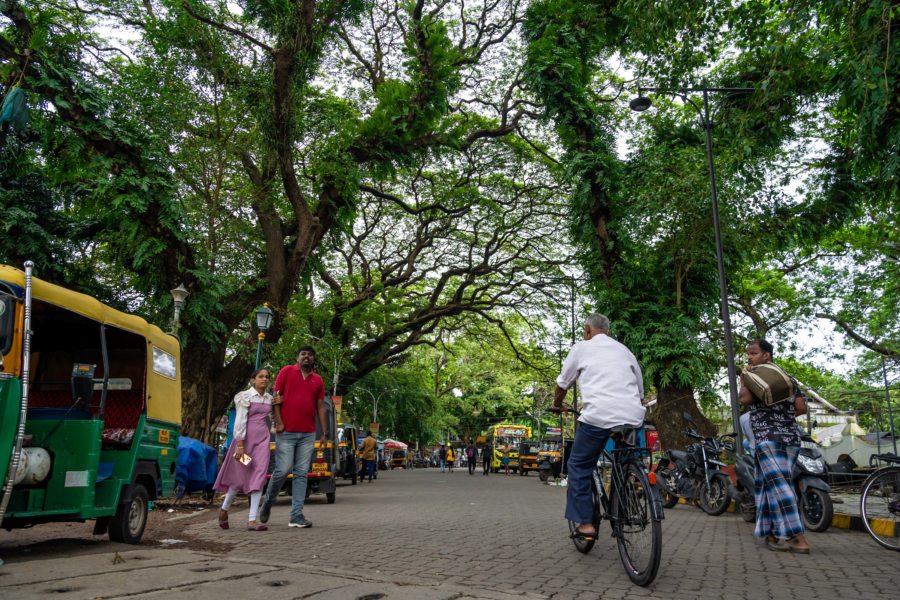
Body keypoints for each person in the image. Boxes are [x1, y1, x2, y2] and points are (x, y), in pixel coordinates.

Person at [550, 313, 646, 538]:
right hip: (631, 416)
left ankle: (585, 524)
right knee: (624, 462)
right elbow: (640, 391)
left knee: (579, 466)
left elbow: (563, 383)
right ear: (608, 332)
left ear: (587, 330)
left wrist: (556, 404)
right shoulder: (625, 351)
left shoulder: (581, 348)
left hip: (597, 418)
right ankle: (626, 499)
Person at [740, 338, 810, 554]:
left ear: (766, 355)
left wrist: (744, 380)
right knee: (766, 485)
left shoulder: (754, 377)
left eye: (753, 353)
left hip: (767, 438)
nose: (749, 357)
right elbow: (800, 407)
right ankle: (770, 533)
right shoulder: (787, 379)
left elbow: (744, 400)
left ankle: (798, 538)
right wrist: (783, 416)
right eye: (748, 354)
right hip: (790, 437)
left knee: (779, 486)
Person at [259, 346, 328, 529]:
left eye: (310, 355)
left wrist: (324, 432)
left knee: (301, 473)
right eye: (303, 354)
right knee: (283, 470)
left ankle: (296, 515)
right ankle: (268, 501)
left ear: (313, 359)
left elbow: (321, 406)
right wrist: (279, 423)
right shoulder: (287, 371)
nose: (307, 357)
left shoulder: (318, 380)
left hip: (308, 433)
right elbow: (276, 399)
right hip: (287, 432)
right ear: (298, 358)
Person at [214, 368, 273, 531]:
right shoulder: (244, 396)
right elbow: (240, 420)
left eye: (267, 377)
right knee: (239, 477)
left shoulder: (269, 399)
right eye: (261, 377)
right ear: (253, 380)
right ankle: (224, 509)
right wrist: (240, 444)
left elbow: (271, 420)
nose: (265, 379)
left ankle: (252, 520)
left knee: (259, 476)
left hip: (262, 442)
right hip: (244, 442)